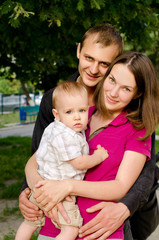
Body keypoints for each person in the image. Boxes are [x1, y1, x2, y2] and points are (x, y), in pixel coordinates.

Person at [19, 24, 157, 239]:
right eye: (89, 58)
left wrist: (125, 207)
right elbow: (40, 155)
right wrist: (35, 192)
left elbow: (144, 173)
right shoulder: (74, 113)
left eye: (104, 64)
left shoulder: (136, 123)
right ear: (79, 51)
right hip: (59, 219)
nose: (94, 70)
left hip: (114, 222)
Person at [15, 81, 109, 240]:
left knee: (30, 223)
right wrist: (98, 157)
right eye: (69, 112)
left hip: (41, 185)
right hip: (59, 191)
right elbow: (79, 163)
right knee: (70, 230)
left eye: (82, 110)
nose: (77, 116)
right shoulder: (67, 136)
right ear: (56, 114)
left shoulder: (54, 128)